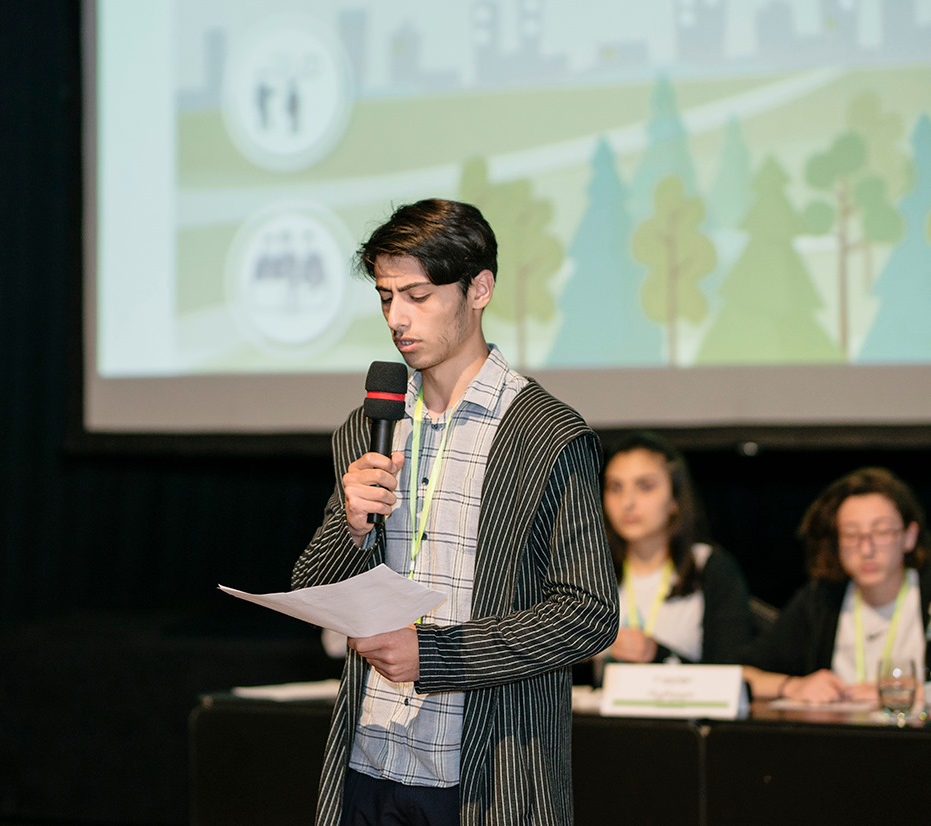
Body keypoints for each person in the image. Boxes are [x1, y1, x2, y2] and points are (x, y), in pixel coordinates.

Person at [292, 198, 618, 826]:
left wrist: (437, 656)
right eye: (386, 297)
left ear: (479, 289)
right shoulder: (369, 427)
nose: (397, 318)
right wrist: (350, 525)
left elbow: (589, 615)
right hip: (369, 762)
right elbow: (315, 587)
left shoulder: (546, 434)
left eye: (417, 295)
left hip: (487, 778)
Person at [742, 467, 931, 704]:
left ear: (909, 537)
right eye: (851, 535)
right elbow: (742, 673)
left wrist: (915, 692)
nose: (866, 549)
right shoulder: (823, 599)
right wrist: (793, 686)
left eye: (881, 532)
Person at [598, 431, 751, 669]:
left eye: (645, 487)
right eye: (615, 487)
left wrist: (657, 654)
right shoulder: (589, 570)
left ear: (675, 498)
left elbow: (729, 675)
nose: (627, 502)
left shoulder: (710, 567)